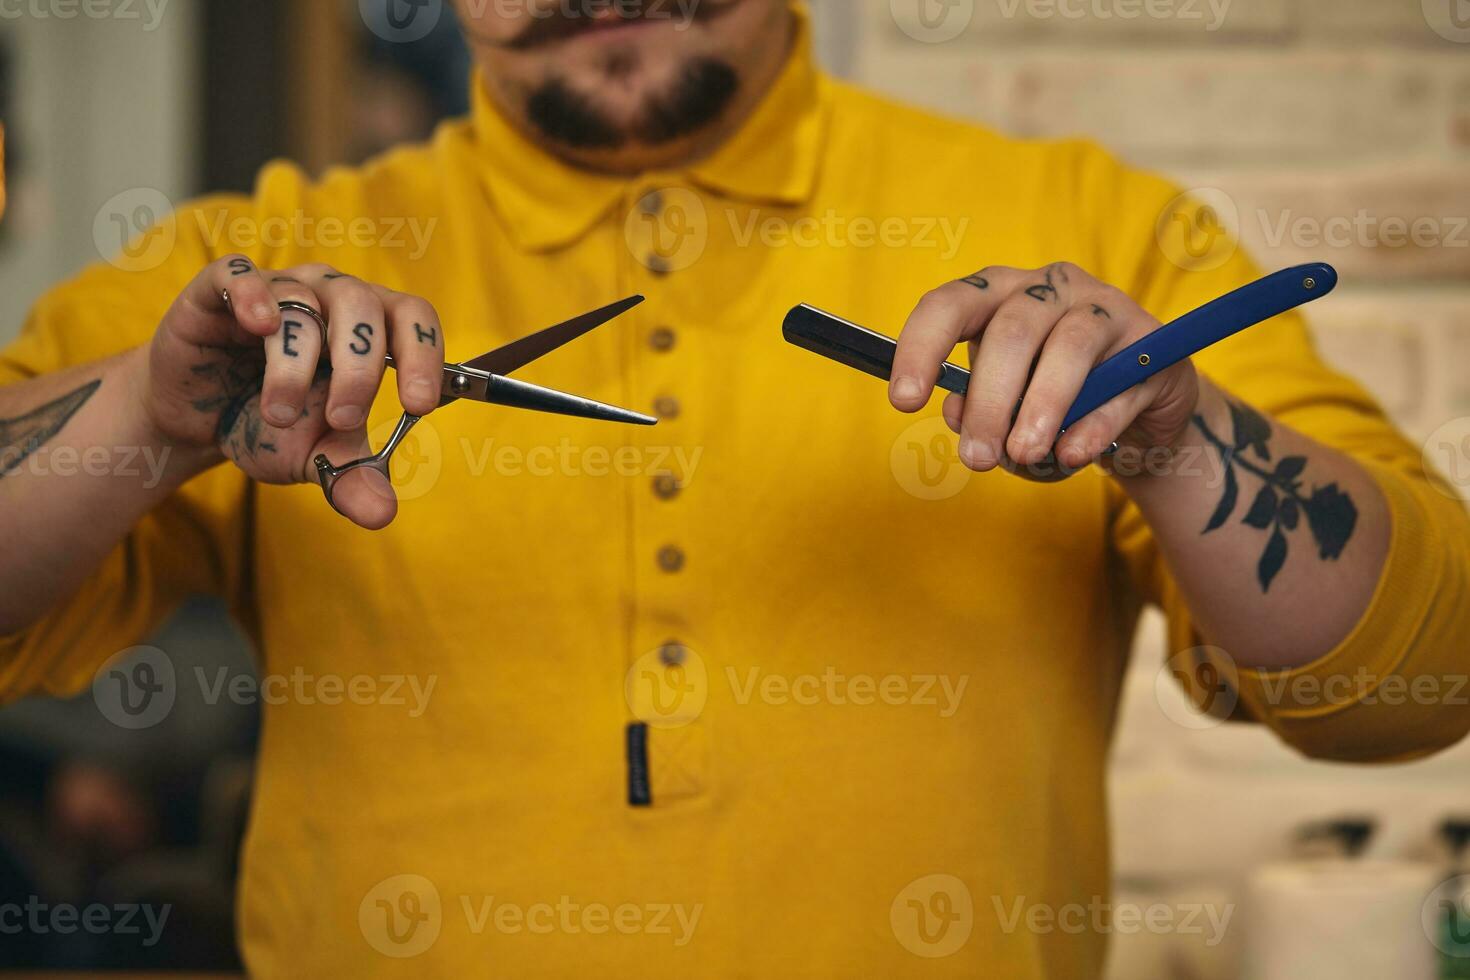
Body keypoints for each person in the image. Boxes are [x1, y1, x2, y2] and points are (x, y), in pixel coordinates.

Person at [1, 1, 1466, 975]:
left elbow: (1422, 682)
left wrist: (1176, 433)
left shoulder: (1094, 229)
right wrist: (143, 410)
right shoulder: (253, 262)